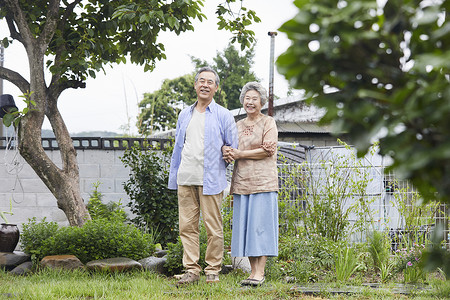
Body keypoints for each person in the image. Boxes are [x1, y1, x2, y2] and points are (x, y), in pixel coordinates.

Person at [168, 66, 238, 285]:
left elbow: (232, 147)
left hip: (211, 179)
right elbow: (179, 147)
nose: (205, 85)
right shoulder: (184, 114)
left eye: (210, 82)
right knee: (186, 227)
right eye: (201, 81)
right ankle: (191, 270)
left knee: (213, 228)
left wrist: (228, 153)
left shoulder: (224, 115)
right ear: (195, 85)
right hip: (186, 177)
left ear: (216, 88)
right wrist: (175, 174)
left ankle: (213, 270)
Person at [222, 81, 279, 287]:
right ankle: (253, 272)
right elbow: (229, 147)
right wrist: (227, 151)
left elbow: (268, 149)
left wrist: (239, 154)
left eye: (254, 98)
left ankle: (259, 272)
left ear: (261, 102)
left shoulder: (268, 122)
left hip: (263, 182)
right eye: (247, 98)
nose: (250, 102)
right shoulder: (237, 125)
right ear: (242, 101)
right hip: (242, 182)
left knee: (260, 227)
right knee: (248, 228)